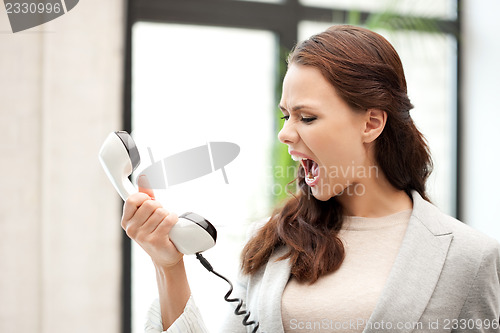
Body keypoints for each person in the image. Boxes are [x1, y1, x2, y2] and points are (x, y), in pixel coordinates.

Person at [121, 25, 500, 333]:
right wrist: (168, 267)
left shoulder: (469, 258)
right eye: (286, 116)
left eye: (307, 117)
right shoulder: (273, 241)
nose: (285, 133)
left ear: (371, 122)